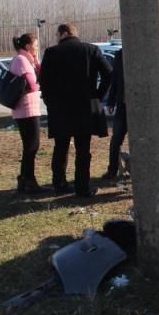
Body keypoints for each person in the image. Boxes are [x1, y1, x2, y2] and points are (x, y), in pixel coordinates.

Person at [39, 23, 112, 197]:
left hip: (60, 108)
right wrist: (97, 95)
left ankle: (59, 184)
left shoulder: (51, 53)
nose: (56, 38)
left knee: (61, 148)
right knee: (83, 149)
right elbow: (108, 73)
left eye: (57, 35)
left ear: (63, 33)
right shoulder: (91, 50)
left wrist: (50, 102)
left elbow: (44, 81)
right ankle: (82, 187)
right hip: (85, 106)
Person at [9, 33, 47, 194]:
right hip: (26, 109)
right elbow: (32, 84)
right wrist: (41, 87)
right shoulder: (21, 60)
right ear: (27, 46)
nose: (37, 48)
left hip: (28, 109)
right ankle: (27, 180)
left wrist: (37, 60)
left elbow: (40, 73)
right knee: (32, 145)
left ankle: (26, 179)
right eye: (35, 45)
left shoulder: (27, 60)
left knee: (31, 145)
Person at [103, 48, 126, 180]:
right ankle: (112, 170)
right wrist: (111, 101)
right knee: (116, 139)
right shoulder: (120, 54)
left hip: (141, 107)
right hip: (123, 105)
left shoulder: (145, 50)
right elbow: (115, 78)